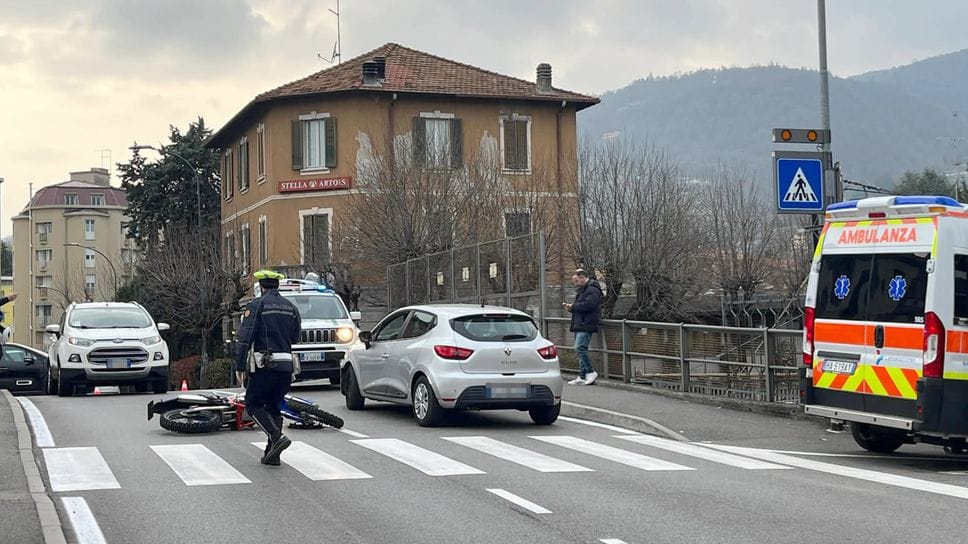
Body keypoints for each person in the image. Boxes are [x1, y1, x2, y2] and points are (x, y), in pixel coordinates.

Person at [234, 270, 302, 466]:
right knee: (273, 406)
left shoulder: (256, 305)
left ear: (261, 286)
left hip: (265, 364)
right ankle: (272, 455)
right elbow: (295, 337)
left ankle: (276, 437)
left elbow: (245, 338)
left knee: (253, 404)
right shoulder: (291, 308)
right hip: (286, 365)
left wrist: (239, 366)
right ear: (277, 285)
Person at [563, 270, 602, 385]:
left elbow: (590, 305)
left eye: (576, 281)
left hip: (586, 323)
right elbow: (583, 306)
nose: (575, 284)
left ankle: (590, 371)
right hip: (581, 322)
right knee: (580, 350)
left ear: (582, 277)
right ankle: (582, 375)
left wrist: (574, 306)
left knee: (579, 348)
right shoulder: (584, 290)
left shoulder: (592, 289)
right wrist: (572, 308)